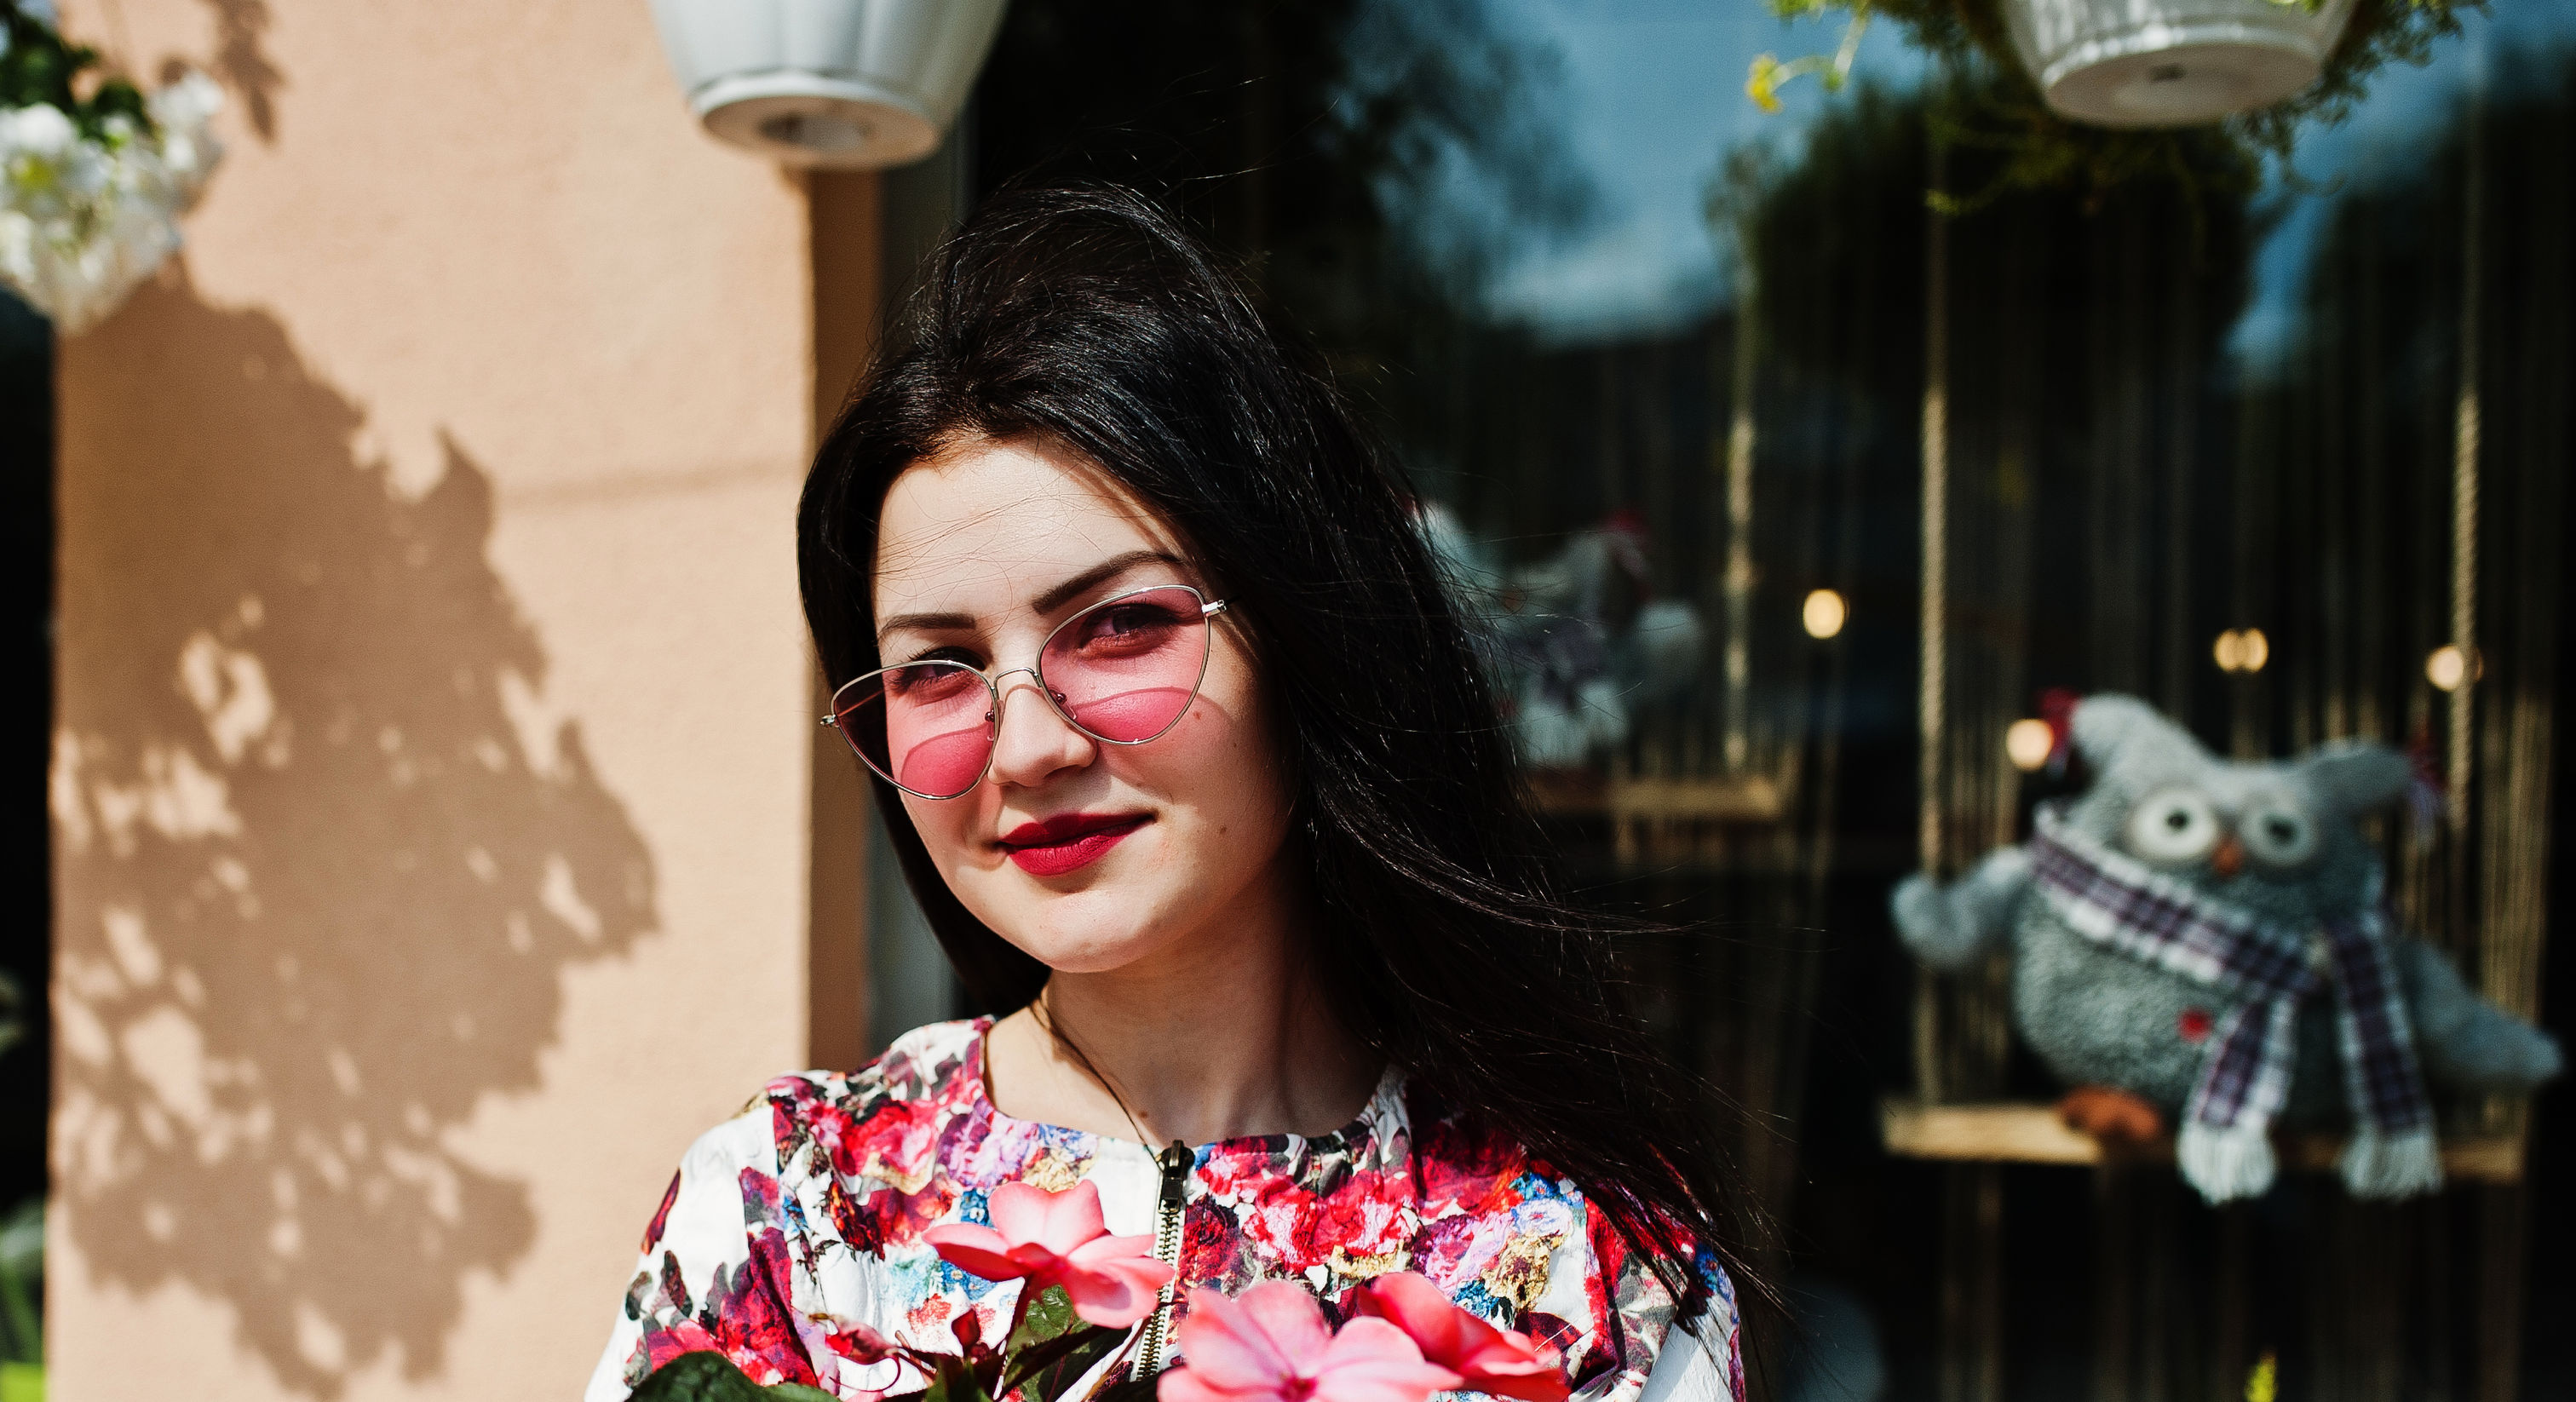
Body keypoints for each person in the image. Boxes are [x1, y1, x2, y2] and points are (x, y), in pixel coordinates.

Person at [584, 183, 1750, 1402]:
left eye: (1122, 625)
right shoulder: (790, 1217)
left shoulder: (1580, 1252)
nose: (1026, 744)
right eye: (937, 669)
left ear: (1306, 637)